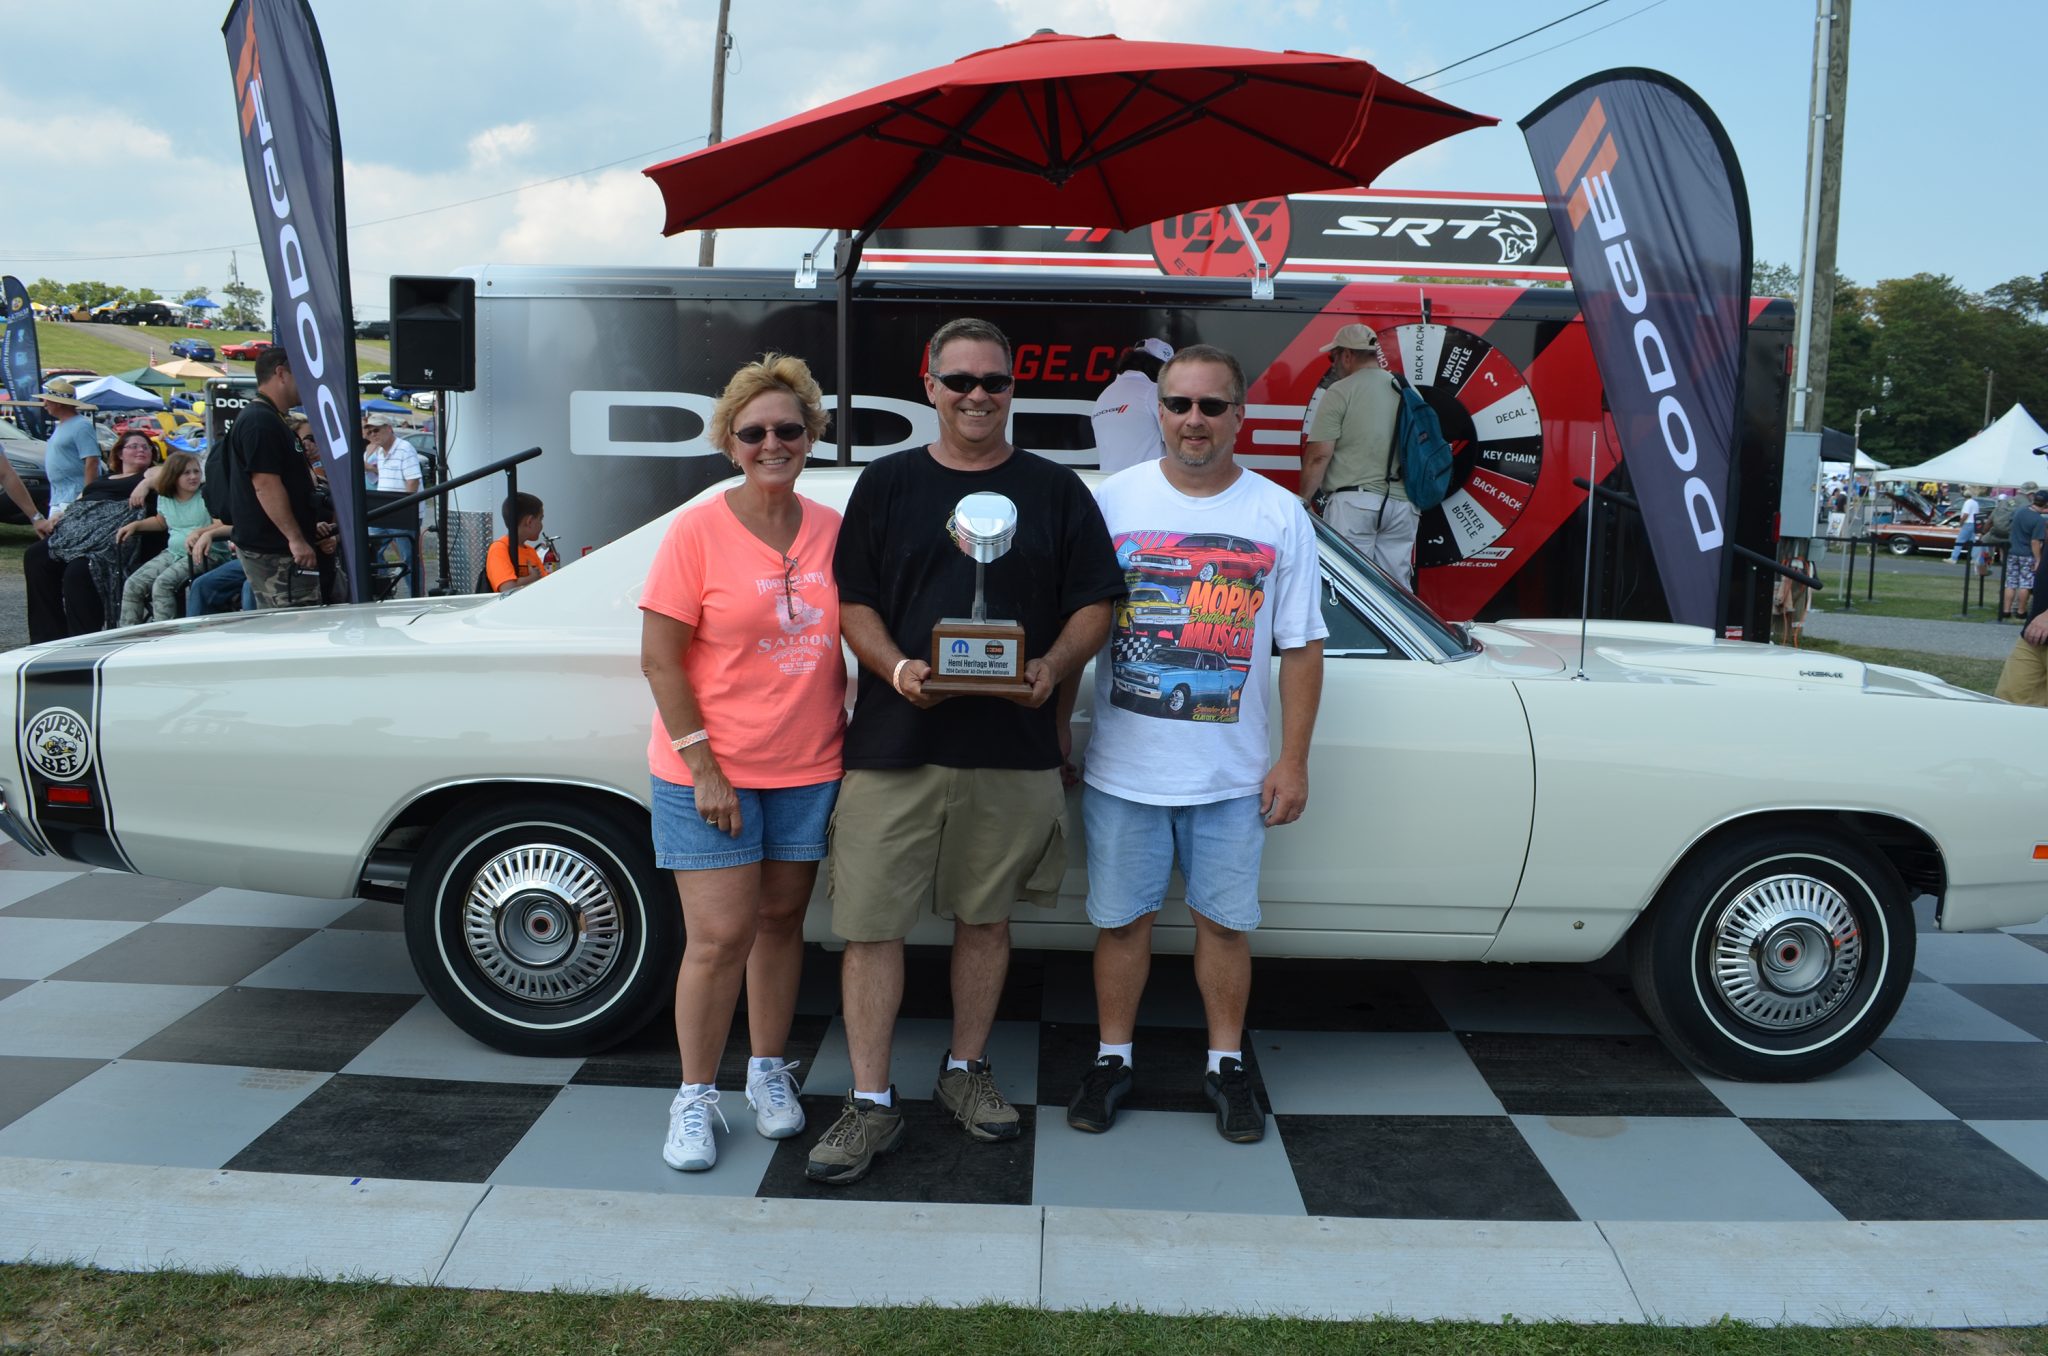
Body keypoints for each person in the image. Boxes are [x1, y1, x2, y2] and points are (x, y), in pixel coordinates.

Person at [809, 317, 1123, 1186]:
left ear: (1013, 388)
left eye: (994, 381)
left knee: (987, 920)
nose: (977, 396)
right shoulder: (888, 484)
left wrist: (1055, 666)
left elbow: (1097, 601)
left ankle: (964, 1071)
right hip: (893, 745)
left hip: (1012, 746)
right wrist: (900, 667)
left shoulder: (1057, 491)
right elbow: (854, 603)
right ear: (930, 386)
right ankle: (870, 1102)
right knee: (871, 929)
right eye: (960, 382)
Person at [1067, 343, 1326, 1145]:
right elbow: (1074, 631)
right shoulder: (1112, 503)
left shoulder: (1278, 513)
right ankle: (1113, 1059)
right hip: (1123, 768)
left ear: (1239, 416)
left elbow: (1303, 646)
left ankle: (1225, 1066)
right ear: (1159, 411)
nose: (1193, 420)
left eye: (1212, 406)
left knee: (1225, 926)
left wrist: (1292, 758)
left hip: (1232, 776)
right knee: (1121, 925)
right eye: (1179, 404)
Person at [639, 354, 845, 1173]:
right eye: (754, 431)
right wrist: (706, 769)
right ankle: (694, 1096)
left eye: (788, 430)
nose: (772, 442)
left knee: (779, 925)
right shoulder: (697, 529)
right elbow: (660, 660)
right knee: (719, 937)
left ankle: (767, 1072)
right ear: (730, 442)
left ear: (810, 438)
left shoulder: (832, 528)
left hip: (808, 765)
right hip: (710, 771)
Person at [1299, 323, 1409, 583]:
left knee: (1348, 582)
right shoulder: (1404, 388)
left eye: (1333, 356)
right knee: (1396, 590)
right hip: (1403, 506)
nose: (1333, 364)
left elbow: (1319, 455)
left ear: (1347, 355)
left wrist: (1304, 500)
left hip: (1355, 504)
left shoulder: (1340, 390)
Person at [32, 430, 160, 637]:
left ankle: (83, 638)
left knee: (80, 569)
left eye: (146, 447)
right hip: (79, 534)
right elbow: (78, 504)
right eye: (134, 446)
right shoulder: (102, 480)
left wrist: (144, 484)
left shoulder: (151, 474)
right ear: (120, 453)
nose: (141, 450)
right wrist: (59, 517)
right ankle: (47, 635)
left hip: (115, 539)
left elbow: (165, 475)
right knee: (36, 555)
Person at [228, 348, 323, 610]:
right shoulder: (260, 421)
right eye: (302, 375)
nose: (308, 383)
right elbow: (265, 485)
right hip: (276, 550)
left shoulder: (273, 419)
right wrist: (295, 538)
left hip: (280, 546)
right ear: (281, 373)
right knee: (297, 625)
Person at [116, 452, 221, 625]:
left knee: (162, 585)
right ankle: (128, 633)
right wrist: (136, 525)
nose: (193, 476)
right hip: (174, 552)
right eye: (186, 473)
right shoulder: (166, 497)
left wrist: (201, 532)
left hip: (205, 553)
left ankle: (166, 635)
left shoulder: (206, 494)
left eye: (196, 471)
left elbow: (221, 523)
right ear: (173, 475)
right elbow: (160, 522)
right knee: (133, 584)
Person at [1089, 337, 1172, 473]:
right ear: (1159, 368)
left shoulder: (1103, 397)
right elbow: (1178, 443)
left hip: (1110, 487)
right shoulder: (1153, 392)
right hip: (1146, 487)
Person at [485, 493, 555, 594]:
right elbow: (507, 589)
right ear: (529, 521)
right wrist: (532, 578)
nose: (541, 524)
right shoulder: (499, 548)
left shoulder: (530, 551)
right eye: (540, 519)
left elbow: (545, 584)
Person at [2003, 485, 2044, 621]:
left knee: (2010, 582)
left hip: (2012, 551)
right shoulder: (2038, 520)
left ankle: (2006, 610)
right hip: (2027, 554)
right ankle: (2021, 611)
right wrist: (2038, 560)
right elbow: (2035, 542)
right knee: (2025, 584)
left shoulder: (2020, 511)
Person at [362, 415, 422, 492]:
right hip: (387, 502)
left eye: (376, 430)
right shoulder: (380, 453)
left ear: (389, 429)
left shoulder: (404, 448)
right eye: (369, 432)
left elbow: (413, 482)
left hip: (402, 503)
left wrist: (407, 503)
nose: (373, 434)